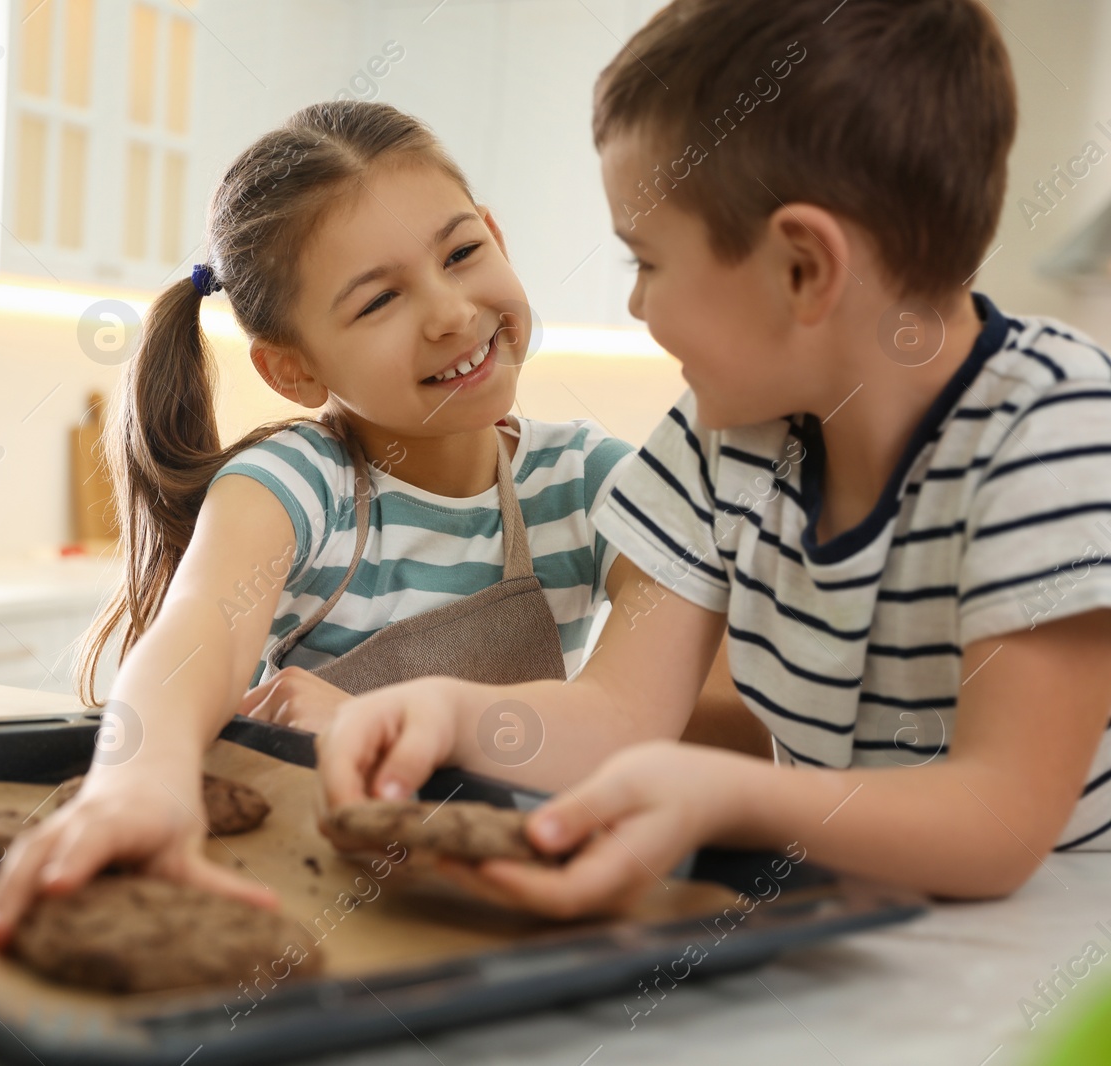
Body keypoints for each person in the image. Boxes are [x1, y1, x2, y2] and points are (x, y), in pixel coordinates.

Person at [318, 0, 1111, 917]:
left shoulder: (1055, 431)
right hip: (843, 932)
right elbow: (619, 716)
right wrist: (449, 716)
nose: (638, 309)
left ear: (803, 269)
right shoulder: (721, 436)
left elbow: (998, 822)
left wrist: (734, 796)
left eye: (644, 262)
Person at [0, 100, 648, 947]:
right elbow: (197, 639)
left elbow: (641, 714)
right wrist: (136, 783)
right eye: (378, 302)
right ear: (293, 370)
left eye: (462, 252)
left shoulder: (590, 482)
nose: (448, 311)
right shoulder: (299, 483)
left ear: (496, 236)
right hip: (313, 901)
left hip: (516, 906)